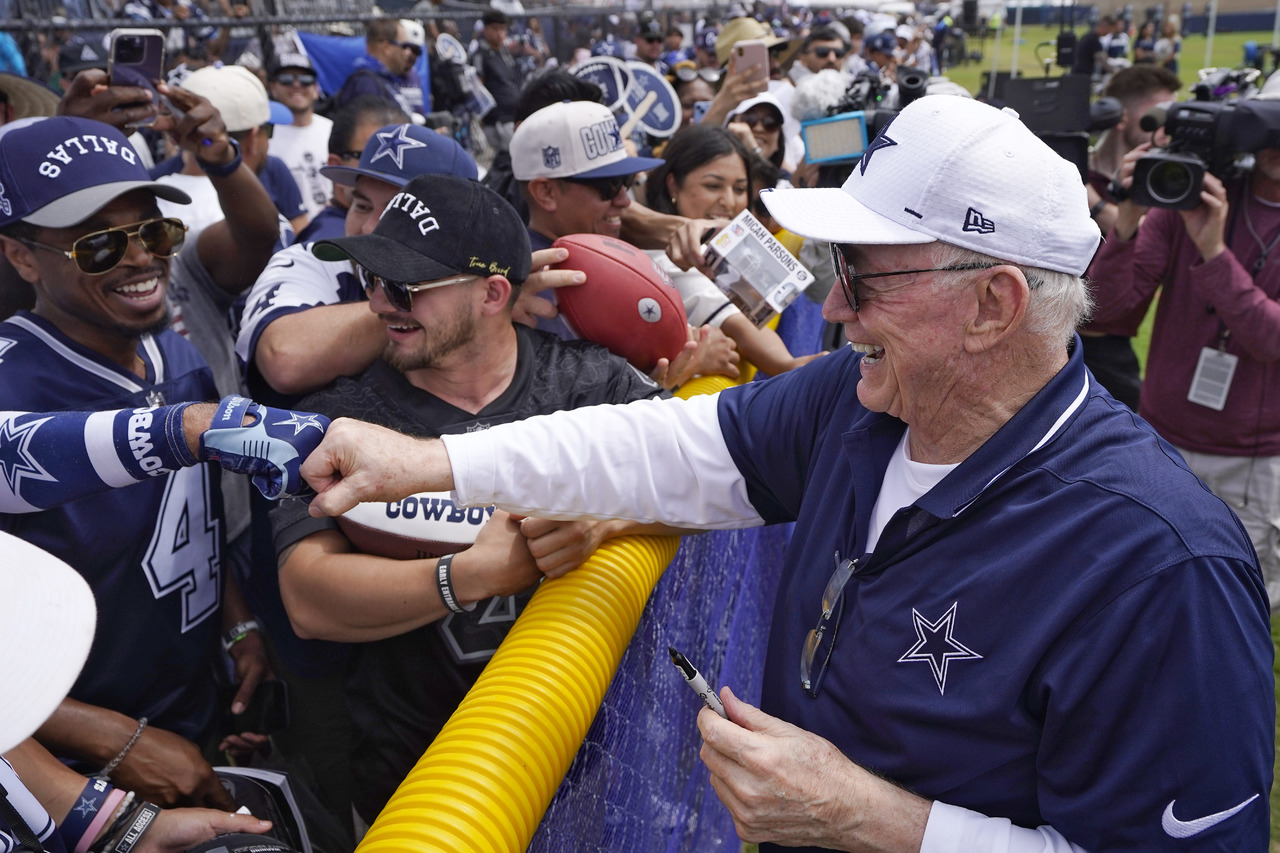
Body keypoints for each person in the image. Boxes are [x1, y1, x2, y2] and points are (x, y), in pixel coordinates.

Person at [297, 95, 1273, 851]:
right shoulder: (859, 402)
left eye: (865, 272)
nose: (834, 307)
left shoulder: (1160, 567)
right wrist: (427, 460)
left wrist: (873, 817)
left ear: (992, 304)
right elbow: (664, 448)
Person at [272, 173, 676, 826]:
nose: (379, 304)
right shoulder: (340, 418)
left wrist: (604, 520)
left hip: (595, 763)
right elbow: (307, 598)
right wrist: (471, 573)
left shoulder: (589, 383)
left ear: (493, 293)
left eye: (405, 286)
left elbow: (705, 475)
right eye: (370, 279)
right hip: (417, 788)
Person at [0, 112, 277, 810]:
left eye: (153, 232)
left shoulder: (175, 354)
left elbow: (191, 524)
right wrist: (114, 741)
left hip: (192, 719)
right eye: (98, 244)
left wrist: (237, 626)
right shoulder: (11, 391)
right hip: (61, 774)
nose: (140, 259)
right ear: (22, 257)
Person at [1092, 99, 1280, 612]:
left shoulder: (1202, 208)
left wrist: (1214, 253)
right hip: (1162, 439)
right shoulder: (1190, 194)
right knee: (1142, 599)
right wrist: (1127, 219)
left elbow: (1271, 339)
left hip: (1253, 456)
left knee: (1234, 610)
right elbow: (1107, 314)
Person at [238, 122, 479, 403]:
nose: (368, 227)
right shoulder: (313, 260)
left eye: (396, 212)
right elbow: (283, 359)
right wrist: (446, 308)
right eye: (362, 206)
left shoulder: (484, 277)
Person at [510, 99, 739, 386]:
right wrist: (686, 364)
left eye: (627, 181)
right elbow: (571, 398)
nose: (624, 200)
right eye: (608, 186)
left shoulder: (614, 253)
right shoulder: (525, 288)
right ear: (546, 193)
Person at [645, 123, 819, 376]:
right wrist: (787, 365)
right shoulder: (657, 259)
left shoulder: (745, 239)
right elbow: (737, 325)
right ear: (673, 185)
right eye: (713, 186)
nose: (728, 201)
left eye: (739, 189)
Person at [1078, 64, 1180, 410]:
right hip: (1061, 341)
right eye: (1158, 115)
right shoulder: (1069, 171)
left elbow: (1154, 238)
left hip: (1113, 350)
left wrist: (1095, 204)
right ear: (1121, 117)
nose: (1168, 127)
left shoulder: (1167, 183)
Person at [295, 96, 408, 245]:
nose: (395, 168)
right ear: (337, 166)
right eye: (373, 156)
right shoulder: (328, 244)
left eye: (407, 156)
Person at [267, 52, 332, 223]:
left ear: (316, 89)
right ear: (273, 88)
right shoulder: (265, 138)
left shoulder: (333, 130)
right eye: (286, 79)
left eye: (305, 79)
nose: (296, 85)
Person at [333, 17, 419, 120]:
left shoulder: (385, 80)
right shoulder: (366, 85)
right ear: (386, 48)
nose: (406, 53)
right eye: (404, 46)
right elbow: (372, 129)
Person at [471, 9, 522, 156]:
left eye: (503, 29)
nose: (500, 33)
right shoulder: (480, 55)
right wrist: (479, 118)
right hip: (496, 122)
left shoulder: (505, 52)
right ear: (486, 30)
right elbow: (477, 86)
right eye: (495, 29)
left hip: (512, 117)